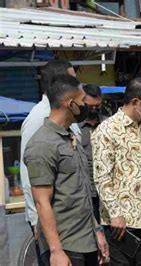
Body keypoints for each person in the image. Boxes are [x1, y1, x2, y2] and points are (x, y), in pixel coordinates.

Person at [23, 75, 108, 266]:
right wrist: (56, 251)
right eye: (83, 101)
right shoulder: (42, 144)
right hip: (66, 246)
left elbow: (81, 193)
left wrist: (96, 231)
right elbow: (41, 201)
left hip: (86, 241)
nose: (87, 105)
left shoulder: (70, 137)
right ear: (71, 104)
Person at [92, 77, 141, 265]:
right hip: (121, 224)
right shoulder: (107, 130)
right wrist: (115, 213)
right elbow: (102, 177)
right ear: (135, 102)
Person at [19, 60, 80, 265]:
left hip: (75, 219)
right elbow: (30, 174)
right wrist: (37, 219)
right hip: (53, 221)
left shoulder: (68, 116)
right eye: (73, 79)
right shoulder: (38, 118)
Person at [79, 84, 103, 223]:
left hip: (106, 190)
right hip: (86, 191)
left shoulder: (107, 124)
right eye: (90, 105)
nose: (94, 108)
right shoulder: (75, 127)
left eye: (97, 105)